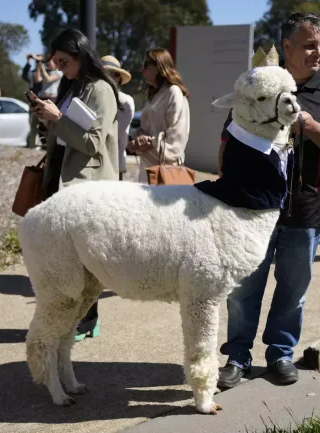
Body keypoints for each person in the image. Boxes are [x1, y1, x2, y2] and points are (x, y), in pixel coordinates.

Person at [217, 12, 320, 388]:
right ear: (287, 47)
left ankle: (280, 354)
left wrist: (310, 126)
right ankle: (237, 357)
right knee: (244, 289)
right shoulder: (258, 83)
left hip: (306, 208)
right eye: (310, 45)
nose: (318, 52)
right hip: (252, 209)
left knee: (293, 291)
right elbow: (227, 141)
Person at [32, 28, 120, 341]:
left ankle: (87, 319)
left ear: (80, 55)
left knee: (88, 260)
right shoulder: (74, 86)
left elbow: (93, 143)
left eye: (63, 60)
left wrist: (58, 120)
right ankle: (79, 317)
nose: (58, 67)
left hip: (90, 188)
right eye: (55, 61)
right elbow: (67, 136)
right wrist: (47, 121)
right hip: (67, 183)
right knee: (72, 260)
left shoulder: (101, 89)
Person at [128, 48, 190, 183]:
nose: (142, 70)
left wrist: (149, 142)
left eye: (145, 65)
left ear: (157, 67)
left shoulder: (173, 92)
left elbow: (177, 137)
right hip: (147, 170)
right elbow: (146, 129)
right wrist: (138, 138)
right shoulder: (154, 95)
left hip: (166, 172)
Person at [101, 55, 135, 181]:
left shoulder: (125, 102)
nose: (108, 78)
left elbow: (110, 134)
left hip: (113, 163)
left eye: (113, 74)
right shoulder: (92, 98)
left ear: (118, 78)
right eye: (104, 73)